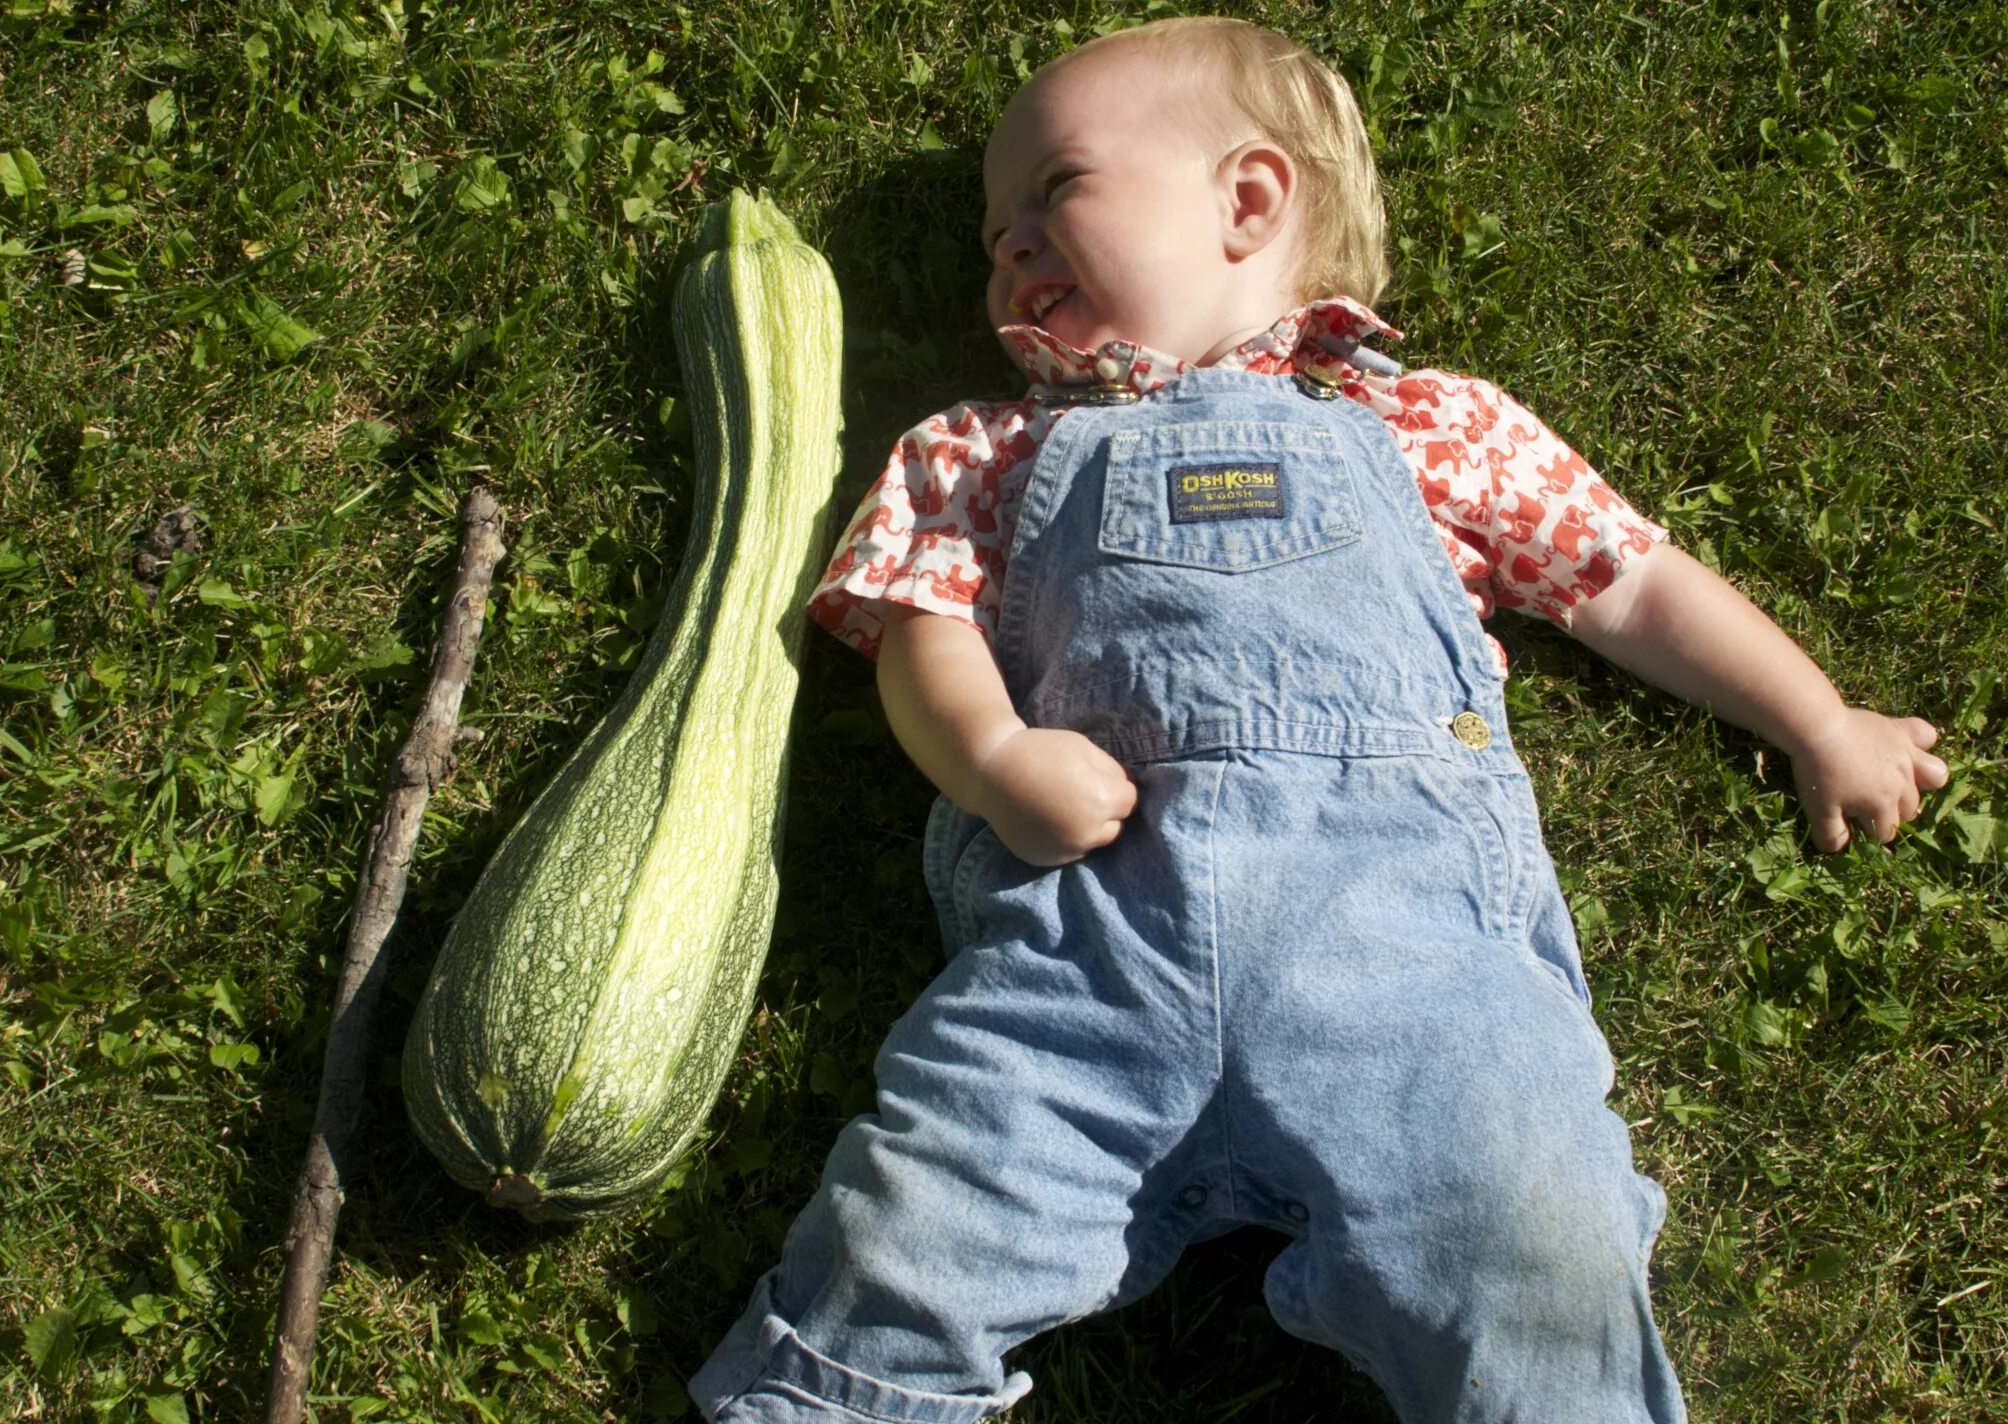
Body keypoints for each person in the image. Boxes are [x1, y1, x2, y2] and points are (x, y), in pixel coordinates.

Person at [689, 16, 1949, 1423]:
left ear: (1249, 201)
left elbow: (1630, 585)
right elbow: (921, 629)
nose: (1009, 249)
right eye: (994, 233)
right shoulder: (976, 449)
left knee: (1536, 1249)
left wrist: (1817, 719)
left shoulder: (1437, 425)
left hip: (1417, 979)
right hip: (1081, 968)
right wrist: (987, 758)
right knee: (898, 1241)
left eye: (1055, 193)